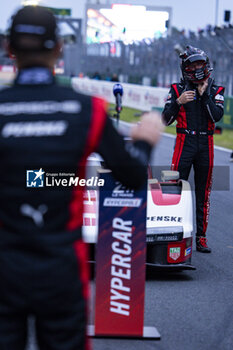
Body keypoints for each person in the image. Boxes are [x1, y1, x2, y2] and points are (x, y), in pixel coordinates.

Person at [0, 6, 163, 350]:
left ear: (8, 49)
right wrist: (146, 141)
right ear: (59, 48)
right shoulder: (88, 109)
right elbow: (132, 176)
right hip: (61, 269)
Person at [162, 45, 224, 253]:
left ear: (206, 65)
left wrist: (204, 94)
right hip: (184, 141)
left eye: (200, 63)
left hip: (206, 144)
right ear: (185, 67)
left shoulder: (216, 90)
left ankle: (201, 237)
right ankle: (172, 233)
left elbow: (216, 116)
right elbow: (164, 120)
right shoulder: (177, 90)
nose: (197, 67)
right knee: (173, 189)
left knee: (203, 192)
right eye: (193, 64)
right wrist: (178, 103)